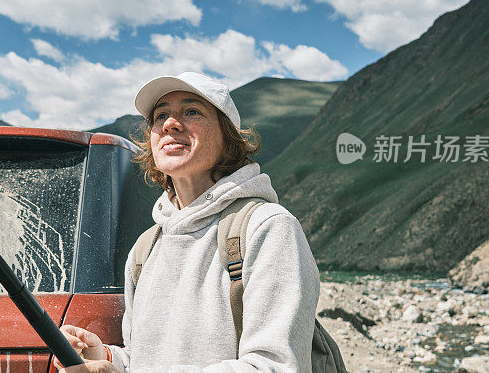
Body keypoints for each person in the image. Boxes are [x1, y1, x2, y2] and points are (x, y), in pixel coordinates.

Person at [56, 72, 320, 372]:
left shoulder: (268, 228)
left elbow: (274, 366)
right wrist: (105, 357)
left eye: (191, 111)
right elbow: (144, 361)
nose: (170, 123)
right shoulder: (146, 249)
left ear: (228, 139)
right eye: (160, 116)